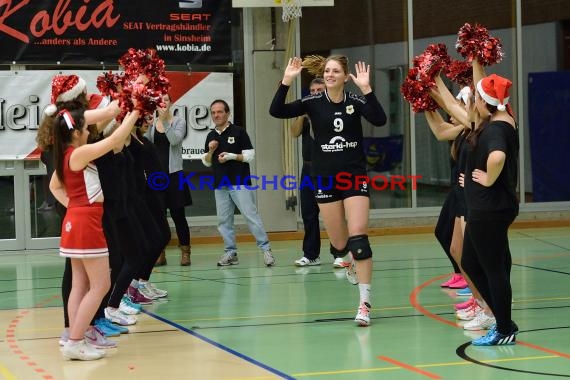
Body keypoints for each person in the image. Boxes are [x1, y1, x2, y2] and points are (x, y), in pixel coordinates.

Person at [269, 55, 387, 326]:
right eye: (327, 71)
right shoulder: (312, 103)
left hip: (353, 177)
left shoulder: (355, 102)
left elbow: (379, 119)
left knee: (359, 240)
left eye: (336, 71)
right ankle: (347, 259)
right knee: (339, 244)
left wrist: (367, 89)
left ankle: (364, 304)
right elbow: (276, 111)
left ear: (346, 77)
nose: (331, 75)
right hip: (323, 178)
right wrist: (286, 80)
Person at [433, 65, 519, 345]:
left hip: (490, 208)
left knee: (492, 267)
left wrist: (487, 178)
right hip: (488, 207)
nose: (472, 104)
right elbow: (453, 104)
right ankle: (501, 318)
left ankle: (504, 328)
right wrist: (433, 81)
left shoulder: (495, 129)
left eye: (476, 99)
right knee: (470, 261)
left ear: (484, 102)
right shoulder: (496, 121)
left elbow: (496, 157)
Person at [49, 106, 140, 360]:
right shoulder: (79, 153)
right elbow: (114, 140)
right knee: (101, 284)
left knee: (80, 284)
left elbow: (54, 186)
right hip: (86, 225)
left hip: (75, 222)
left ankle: (75, 336)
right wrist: (136, 110)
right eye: (85, 129)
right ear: (76, 133)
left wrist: (73, 207)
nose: (89, 131)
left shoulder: (66, 154)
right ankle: (76, 342)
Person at [202, 99, 275, 267]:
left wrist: (231, 156)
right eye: (213, 112)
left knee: (251, 216)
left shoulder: (239, 132)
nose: (216, 115)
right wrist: (211, 151)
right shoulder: (211, 136)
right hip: (220, 184)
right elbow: (206, 162)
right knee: (224, 220)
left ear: (228, 113)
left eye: (220, 112)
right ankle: (230, 252)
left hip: (239, 182)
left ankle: (266, 250)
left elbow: (250, 156)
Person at [145, 93, 192, 266]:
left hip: (174, 175)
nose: (163, 103)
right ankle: (160, 252)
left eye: (166, 100)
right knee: (158, 216)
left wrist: (164, 120)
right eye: (159, 100)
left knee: (178, 215)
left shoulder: (178, 121)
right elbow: (146, 146)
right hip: (156, 177)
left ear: (171, 102)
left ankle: (185, 251)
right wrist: (148, 126)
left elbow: (174, 140)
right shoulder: (151, 124)